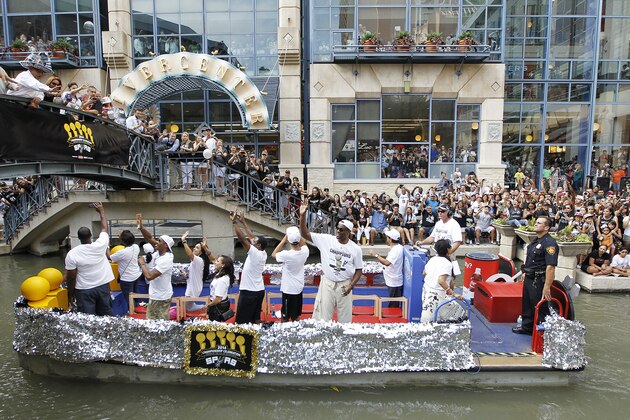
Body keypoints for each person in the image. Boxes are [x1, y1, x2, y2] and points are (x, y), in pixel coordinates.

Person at [299, 199, 363, 323]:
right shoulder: (326, 239)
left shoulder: (355, 249)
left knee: (345, 320)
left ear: (349, 232)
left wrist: (351, 286)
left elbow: (359, 270)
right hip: (327, 283)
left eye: (341, 230)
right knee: (322, 318)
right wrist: (302, 216)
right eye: (338, 228)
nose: (338, 231)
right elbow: (305, 234)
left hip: (344, 285)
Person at [64, 202, 114, 316]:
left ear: (79, 238)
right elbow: (104, 228)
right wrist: (101, 211)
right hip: (103, 286)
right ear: (91, 235)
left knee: (88, 318)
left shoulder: (72, 254)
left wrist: (70, 296)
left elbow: (71, 278)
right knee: (106, 316)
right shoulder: (100, 245)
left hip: (84, 290)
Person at [512, 217, 559, 335]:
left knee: (539, 306)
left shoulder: (549, 243)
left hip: (539, 280)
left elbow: (550, 267)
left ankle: (541, 332)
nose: (536, 224)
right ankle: (527, 327)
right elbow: (531, 259)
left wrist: (547, 286)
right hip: (529, 277)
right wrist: (525, 272)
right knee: (527, 304)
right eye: (536, 222)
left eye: (539, 223)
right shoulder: (535, 241)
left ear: (547, 228)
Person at [136, 214, 174, 320]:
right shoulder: (159, 252)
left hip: (160, 297)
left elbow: (149, 276)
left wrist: (142, 263)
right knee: (156, 322)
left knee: (156, 322)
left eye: (159, 241)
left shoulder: (166, 259)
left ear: (166, 246)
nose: (156, 242)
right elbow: (149, 238)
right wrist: (141, 228)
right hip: (158, 295)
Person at [231, 210, 267, 324]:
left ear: (259, 245)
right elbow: (251, 237)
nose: (253, 241)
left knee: (241, 321)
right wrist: (243, 222)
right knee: (255, 318)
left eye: (255, 242)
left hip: (249, 292)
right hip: (259, 290)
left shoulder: (254, 253)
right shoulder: (263, 252)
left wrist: (234, 222)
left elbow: (243, 239)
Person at [271, 226, 309, 321]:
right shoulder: (305, 251)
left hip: (289, 289)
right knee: (296, 315)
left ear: (289, 240)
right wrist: (298, 236)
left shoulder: (286, 254)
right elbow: (303, 243)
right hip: (298, 287)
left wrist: (283, 240)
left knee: (285, 315)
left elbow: (273, 254)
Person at [420, 239, 462, 323]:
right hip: (437, 293)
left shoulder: (432, 259)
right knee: (458, 313)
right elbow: (441, 281)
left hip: (427, 290)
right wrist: (453, 293)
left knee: (429, 316)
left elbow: (424, 272)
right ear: (448, 249)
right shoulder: (447, 263)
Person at [109, 229, 142, 315]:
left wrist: (106, 248)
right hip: (136, 274)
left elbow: (110, 258)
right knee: (135, 294)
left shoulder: (122, 252)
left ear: (123, 241)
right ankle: (138, 309)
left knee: (129, 298)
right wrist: (122, 236)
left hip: (127, 279)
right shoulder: (136, 247)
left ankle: (132, 313)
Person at [369, 229, 404, 307]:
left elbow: (387, 263)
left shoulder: (396, 250)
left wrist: (376, 255)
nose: (386, 239)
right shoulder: (395, 248)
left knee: (393, 305)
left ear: (390, 239)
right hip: (391, 279)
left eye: (387, 237)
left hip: (394, 282)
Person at [206, 255, 235, 321]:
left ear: (223, 265)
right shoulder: (220, 274)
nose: (215, 262)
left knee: (215, 325)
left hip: (218, 307)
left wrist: (208, 305)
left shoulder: (222, 280)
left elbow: (218, 299)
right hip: (219, 304)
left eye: (218, 261)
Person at [181, 231, 205, 311]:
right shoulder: (195, 261)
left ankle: (203, 307)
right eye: (194, 247)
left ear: (201, 252)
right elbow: (192, 275)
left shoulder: (199, 260)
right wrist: (185, 274)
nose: (194, 248)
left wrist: (184, 241)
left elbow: (190, 254)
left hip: (194, 288)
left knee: (187, 308)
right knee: (187, 307)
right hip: (192, 286)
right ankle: (201, 306)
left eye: (197, 248)